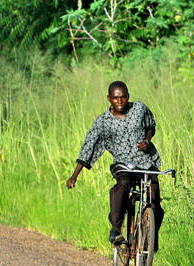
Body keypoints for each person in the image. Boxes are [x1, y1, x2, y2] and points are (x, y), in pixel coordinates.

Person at [66, 81, 165, 247]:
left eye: (123, 97)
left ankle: (149, 240)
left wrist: (147, 140)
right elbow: (89, 147)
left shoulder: (139, 108)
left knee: (155, 200)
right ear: (109, 98)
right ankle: (116, 228)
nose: (120, 101)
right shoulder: (103, 121)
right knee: (123, 184)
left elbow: (150, 126)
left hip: (146, 162)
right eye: (116, 98)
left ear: (128, 96)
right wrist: (74, 175)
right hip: (123, 164)